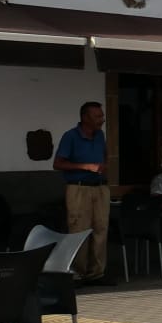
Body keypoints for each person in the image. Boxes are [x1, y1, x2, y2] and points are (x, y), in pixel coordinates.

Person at [53, 102, 111, 283]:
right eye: (97, 116)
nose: (101, 120)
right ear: (85, 117)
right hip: (78, 187)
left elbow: (105, 155)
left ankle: (97, 274)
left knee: (101, 229)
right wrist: (85, 166)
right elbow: (57, 164)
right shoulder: (70, 136)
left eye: (102, 116)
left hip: (100, 187)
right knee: (79, 230)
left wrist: (103, 166)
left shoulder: (100, 135)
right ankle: (77, 274)